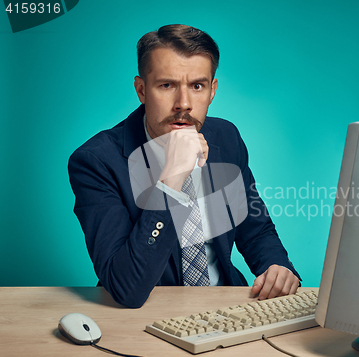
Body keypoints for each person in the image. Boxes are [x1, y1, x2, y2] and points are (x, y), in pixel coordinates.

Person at [68, 24, 300, 308]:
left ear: (212, 90)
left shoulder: (226, 138)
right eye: (167, 85)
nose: (184, 104)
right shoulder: (96, 162)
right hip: (143, 314)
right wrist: (171, 180)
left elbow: (254, 227)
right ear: (141, 90)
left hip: (224, 307)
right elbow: (126, 288)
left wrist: (277, 266)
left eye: (197, 86)